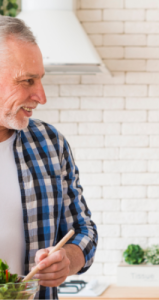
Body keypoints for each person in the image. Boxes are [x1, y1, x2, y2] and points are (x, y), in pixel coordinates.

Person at [0, 16, 98, 299]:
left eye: (40, 79)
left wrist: (68, 258)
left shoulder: (49, 143)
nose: (41, 96)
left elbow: (83, 231)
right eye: (27, 81)